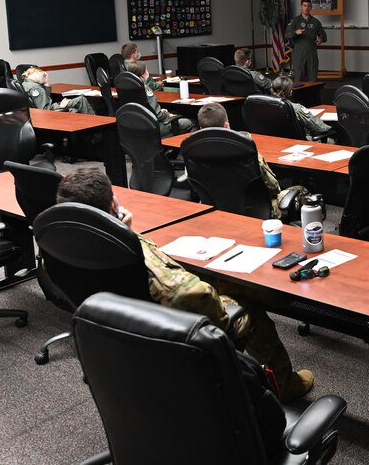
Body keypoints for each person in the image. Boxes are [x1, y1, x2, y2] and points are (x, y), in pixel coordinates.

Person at [55, 167, 314, 404]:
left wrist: (124, 231)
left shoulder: (57, 243)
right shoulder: (139, 258)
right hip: (168, 331)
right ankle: (284, 384)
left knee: (218, 279)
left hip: (110, 333)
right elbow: (187, 294)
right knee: (245, 304)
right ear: (114, 203)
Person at [197, 103, 306, 219]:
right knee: (302, 190)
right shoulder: (245, 150)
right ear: (226, 126)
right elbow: (274, 187)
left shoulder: (194, 152)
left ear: (200, 129)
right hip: (255, 211)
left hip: (213, 211)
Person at [126, 61, 194, 136]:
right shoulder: (145, 88)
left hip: (135, 127)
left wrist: (160, 111)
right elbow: (158, 115)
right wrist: (167, 115)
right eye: (146, 70)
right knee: (190, 122)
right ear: (143, 74)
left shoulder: (126, 89)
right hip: (154, 127)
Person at [270, 75, 332, 140]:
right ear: (290, 91)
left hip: (275, 141)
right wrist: (332, 127)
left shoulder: (265, 105)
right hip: (300, 142)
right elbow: (320, 128)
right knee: (333, 140)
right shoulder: (296, 108)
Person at [284, 0, 326, 82]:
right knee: (299, 76)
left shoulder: (315, 22)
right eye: (304, 6)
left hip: (311, 52)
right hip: (299, 52)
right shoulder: (295, 21)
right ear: (301, 7)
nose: (306, 8)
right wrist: (295, 32)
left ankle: (312, 95)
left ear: (311, 8)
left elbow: (323, 35)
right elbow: (287, 35)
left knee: (312, 76)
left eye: (308, 6)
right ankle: (299, 95)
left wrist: (321, 39)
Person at [20, 67, 94, 114]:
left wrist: (46, 83)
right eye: (42, 75)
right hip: (49, 112)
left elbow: (44, 99)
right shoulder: (36, 88)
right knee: (81, 99)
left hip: (39, 112)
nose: (43, 77)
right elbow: (45, 110)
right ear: (36, 73)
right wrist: (61, 105)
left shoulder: (25, 84)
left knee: (76, 107)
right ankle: (95, 127)